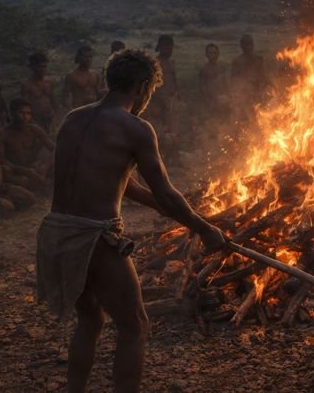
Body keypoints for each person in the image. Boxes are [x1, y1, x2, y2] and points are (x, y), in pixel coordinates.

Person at [36, 49, 226, 392]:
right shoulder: (136, 128)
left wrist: (158, 205)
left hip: (57, 231)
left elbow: (115, 177)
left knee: (90, 318)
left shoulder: (74, 119)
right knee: (135, 325)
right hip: (94, 238)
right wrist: (205, 228)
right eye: (150, 91)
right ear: (141, 86)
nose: (148, 99)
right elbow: (167, 192)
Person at [2, 98, 55, 195]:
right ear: (12, 113)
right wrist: (23, 170)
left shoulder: (34, 129)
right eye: (21, 113)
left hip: (34, 168)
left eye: (28, 113)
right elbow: (0, 159)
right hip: (17, 171)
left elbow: (54, 148)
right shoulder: (4, 134)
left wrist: (46, 165)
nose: (25, 117)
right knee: (11, 174)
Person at [231, 34, 269, 124]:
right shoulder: (237, 61)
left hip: (257, 93)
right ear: (241, 46)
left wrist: (267, 87)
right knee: (245, 120)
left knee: (259, 119)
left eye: (250, 44)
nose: (248, 46)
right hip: (244, 95)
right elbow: (234, 80)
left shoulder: (258, 59)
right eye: (245, 44)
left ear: (253, 45)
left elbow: (262, 76)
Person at [21, 52, 57, 133]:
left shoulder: (49, 82)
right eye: (40, 67)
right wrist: (31, 121)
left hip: (49, 118)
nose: (43, 69)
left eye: (44, 66)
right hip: (35, 120)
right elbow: (24, 106)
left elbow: (54, 102)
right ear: (32, 67)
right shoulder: (26, 85)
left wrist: (56, 118)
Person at [62, 45, 101, 110]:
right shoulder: (71, 76)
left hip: (94, 110)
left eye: (90, 57)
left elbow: (99, 94)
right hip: (79, 110)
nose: (88, 59)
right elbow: (65, 97)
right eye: (86, 57)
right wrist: (71, 110)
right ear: (79, 57)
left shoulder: (95, 74)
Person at [198, 43, 230, 118]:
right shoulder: (204, 70)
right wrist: (209, 102)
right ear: (206, 55)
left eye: (215, 53)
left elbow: (226, 84)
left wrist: (228, 97)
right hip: (211, 100)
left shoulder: (222, 68)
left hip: (222, 99)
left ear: (218, 54)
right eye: (211, 53)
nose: (213, 55)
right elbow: (202, 88)